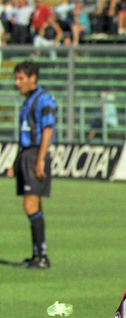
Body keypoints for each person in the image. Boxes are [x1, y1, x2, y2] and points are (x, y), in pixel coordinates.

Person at [8, 61, 55, 268]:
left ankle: (42, 257)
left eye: (21, 78)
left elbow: (48, 129)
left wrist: (40, 159)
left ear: (32, 78)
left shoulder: (43, 99)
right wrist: (15, 161)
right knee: (34, 205)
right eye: (16, 78)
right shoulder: (28, 100)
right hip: (27, 154)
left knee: (30, 205)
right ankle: (38, 255)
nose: (17, 83)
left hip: (36, 153)